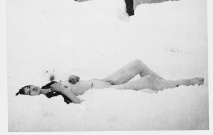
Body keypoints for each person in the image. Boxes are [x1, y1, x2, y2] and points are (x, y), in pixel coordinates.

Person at [16, 59, 204, 104]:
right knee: (147, 81)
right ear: (30, 98)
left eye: (29, 86)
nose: (31, 88)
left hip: (102, 81)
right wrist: (76, 98)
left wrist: (73, 78)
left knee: (137, 64)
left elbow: (72, 83)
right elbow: (72, 98)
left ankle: (170, 84)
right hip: (105, 91)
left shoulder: (51, 87)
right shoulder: (50, 97)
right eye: (29, 91)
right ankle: (186, 83)